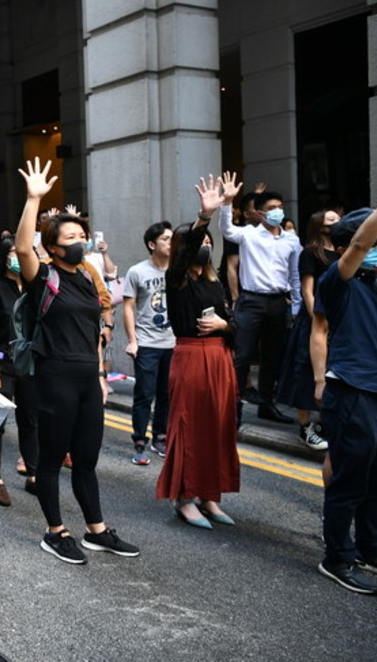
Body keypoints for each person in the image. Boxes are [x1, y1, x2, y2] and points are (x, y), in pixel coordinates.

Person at [15, 157, 139, 565]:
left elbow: (95, 330)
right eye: (70, 235)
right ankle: (56, 531)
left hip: (87, 377)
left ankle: (96, 531)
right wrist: (34, 199)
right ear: (52, 246)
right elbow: (21, 247)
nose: (78, 240)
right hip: (54, 378)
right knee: (51, 460)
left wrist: (101, 374)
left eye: (81, 234)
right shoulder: (44, 277)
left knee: (86, 459)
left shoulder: (87, 276)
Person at [311, 170, 377, 595]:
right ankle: (338, 558)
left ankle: (371, 546)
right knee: (350, 481)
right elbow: (361, 244)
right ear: (345, 247)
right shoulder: (339, 280)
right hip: (353, 392)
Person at [154, 175, 241, 529]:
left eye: (208, 240)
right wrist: (203, 217)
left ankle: (210, 496)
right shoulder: (176, 281)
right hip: (190, 358)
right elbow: (184, 255)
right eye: (197, 242)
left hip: (219, 358)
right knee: (190, 428)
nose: (204, 244)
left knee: (219, 427)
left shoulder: (213, 280)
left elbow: (235, 323)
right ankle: (185, 498)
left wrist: (225, 327)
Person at [219, 181, 302, 423]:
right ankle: (232, 406)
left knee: (272, 357)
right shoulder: (248, 233)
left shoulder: (291, 241)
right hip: (251, 301)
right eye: (272, 207)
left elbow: (295, 276)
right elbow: (226, 229)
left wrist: (296, 307)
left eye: (280, 206)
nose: (278, 211)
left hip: (278, 302)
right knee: (243, 355)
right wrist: (227, 202)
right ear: (260, 212)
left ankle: (267, 404)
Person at [0, 236, 39, 507]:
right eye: (14, 252)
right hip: (1, 364)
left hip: (29, 365)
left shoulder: (33, 288)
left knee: (31, 422)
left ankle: (34, 475)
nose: (19, 257)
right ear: (4, 257)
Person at [277, 209, 339, 450]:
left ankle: (326, 423)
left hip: (338, 320)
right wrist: (318, 319)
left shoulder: (344, 252)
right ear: (319, 226)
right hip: (314, 321)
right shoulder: (310, 253)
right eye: (332, 220)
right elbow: (307, 291)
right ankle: (305, 426)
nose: (338, 223)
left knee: (332, 372)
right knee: (305, 371)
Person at [123, 222, 175, 465]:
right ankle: (139, 441)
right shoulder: (137, 272)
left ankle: (160, 437)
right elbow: (128, 307)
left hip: (172, 343)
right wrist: (133, 341)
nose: (170, 242)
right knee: (144, 394)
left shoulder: (177, 270)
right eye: (165, 238)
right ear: (152, 244)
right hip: (147, 343)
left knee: (167, 394)